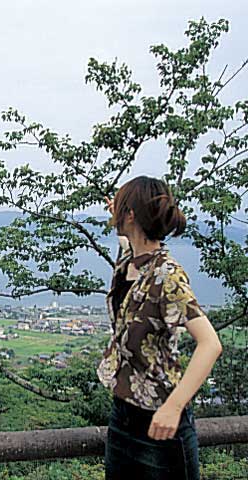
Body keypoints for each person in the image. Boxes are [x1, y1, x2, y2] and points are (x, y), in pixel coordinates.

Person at [97, 175, 223, 480]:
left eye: (121, 210)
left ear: (130, 215)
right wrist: (120, 209)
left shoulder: (168, 274)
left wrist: (174, 407)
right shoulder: (131, 259)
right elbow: (128, 240)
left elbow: (210, 343)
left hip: (161, 421)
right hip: (122, 415)